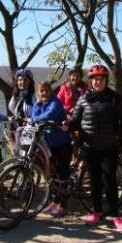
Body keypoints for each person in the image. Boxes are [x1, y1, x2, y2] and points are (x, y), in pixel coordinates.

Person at [68, 65, 122, 232]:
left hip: (108, 147)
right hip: (89, 148)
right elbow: (76, 120)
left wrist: (117, 136)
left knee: (110, 181)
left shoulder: (114, 98)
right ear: (90, 81)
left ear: (106, 80)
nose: (98, 82)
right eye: (95, 79)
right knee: (95, 182)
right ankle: (97, 213)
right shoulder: (83, 99)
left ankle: (115, 216)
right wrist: (66, 126)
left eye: (101, 79)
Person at [32, 81, 72, 218]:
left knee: (62, 174)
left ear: (51, 92)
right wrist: (36, 119)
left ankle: (63, 206)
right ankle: (54, 202)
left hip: (62, 143)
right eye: (41, 91)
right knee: (53, 174)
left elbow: (49, 115)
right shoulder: (37, 105)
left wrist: (36, 119)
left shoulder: (56, 102)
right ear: (38, 93)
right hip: (49, 144)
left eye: (47, 90)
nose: (44, 93)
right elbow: (34, 117)